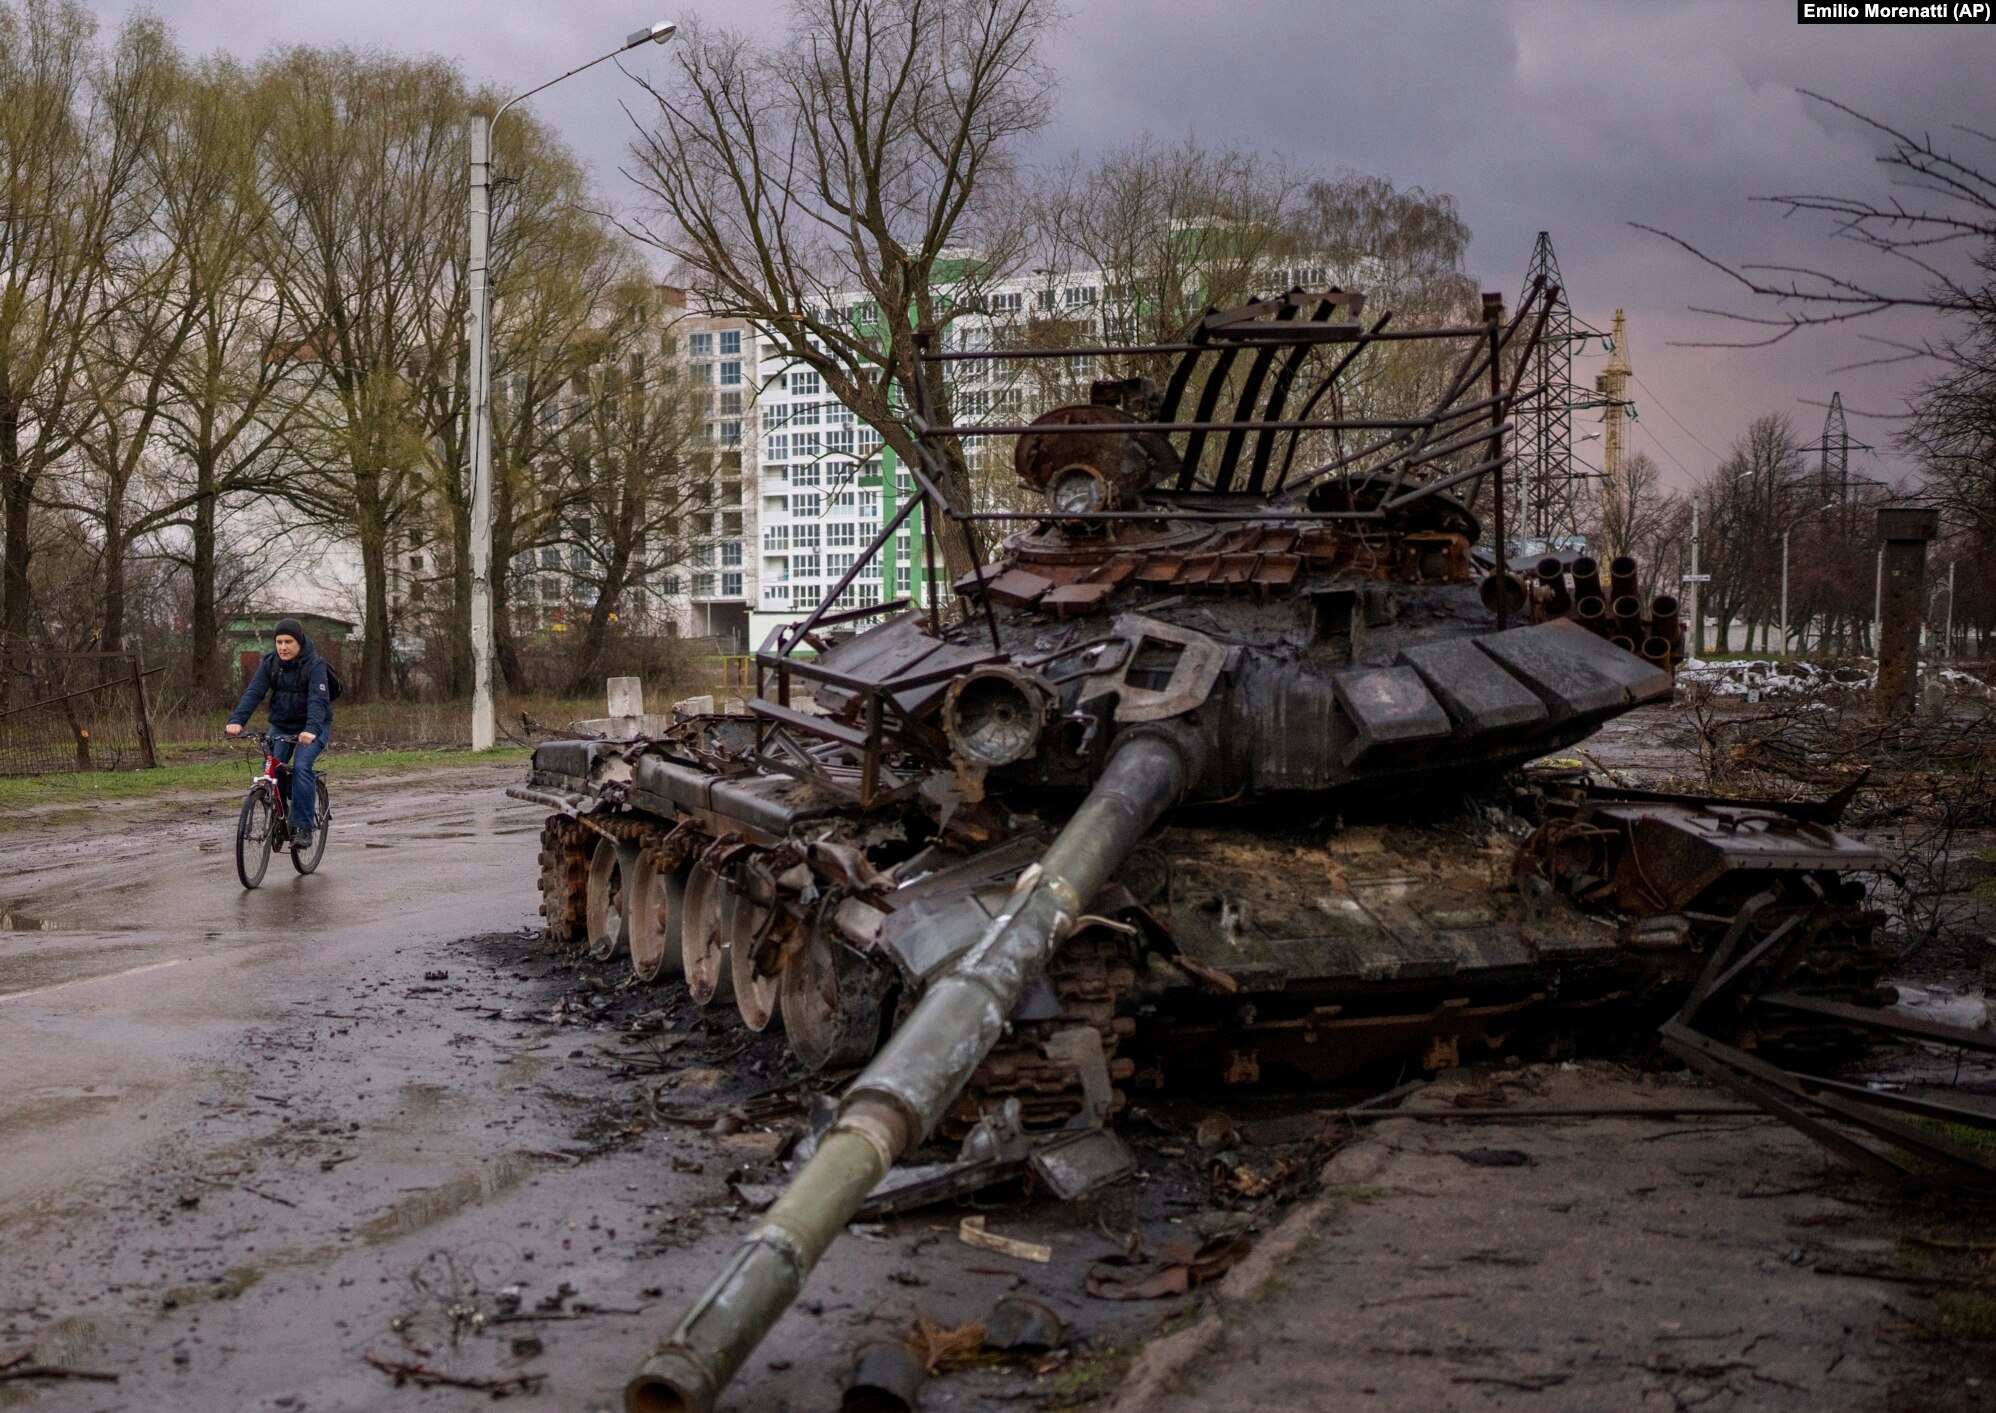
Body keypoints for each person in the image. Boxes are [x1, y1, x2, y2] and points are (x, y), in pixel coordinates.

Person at [225, 617, 332, 850]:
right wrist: (236, 721)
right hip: (282, 725)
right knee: (274, 767)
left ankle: (303, 827)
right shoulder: (271, 664)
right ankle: (281, 818)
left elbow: (317, 701)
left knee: (302, 766)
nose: (283, 647)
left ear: (299, 642)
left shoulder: (315, 665)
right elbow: (254, 693)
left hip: (313, 727)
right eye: (279, 641)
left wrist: (311, 730)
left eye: (289, 641)